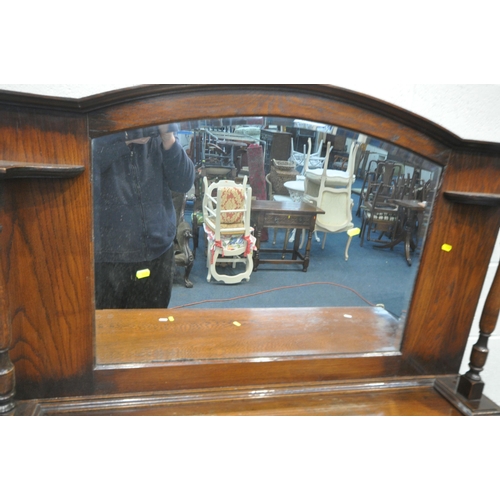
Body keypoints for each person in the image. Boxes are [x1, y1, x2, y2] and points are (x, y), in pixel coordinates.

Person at [93, 124, 195, 309]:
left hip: (159, 253)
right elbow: (86, 166)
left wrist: (168, 139)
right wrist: (124, 140)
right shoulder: (99, 132)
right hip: (110, 257)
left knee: (154, 327)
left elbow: (184, 182)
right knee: (110, 330)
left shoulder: (158, 136)